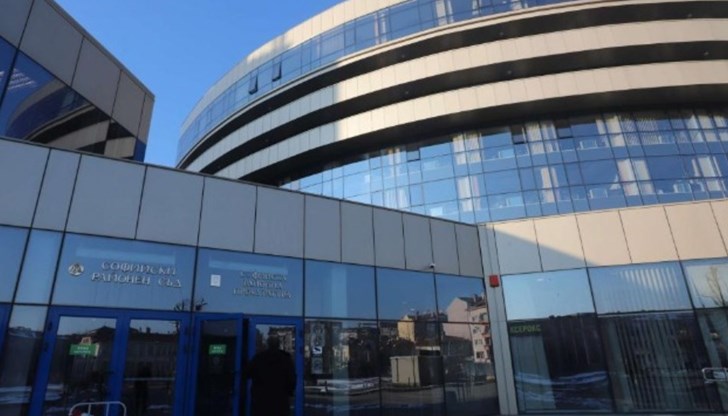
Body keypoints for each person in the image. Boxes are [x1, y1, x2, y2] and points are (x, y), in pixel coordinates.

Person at [243, 335, 296, 416]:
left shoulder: (259, 358)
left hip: (261, 400)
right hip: (280, 400)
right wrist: (289, 392)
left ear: (268, 344)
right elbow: (292, 379)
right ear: (278, 344)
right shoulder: (285, 359)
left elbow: (247, 373)